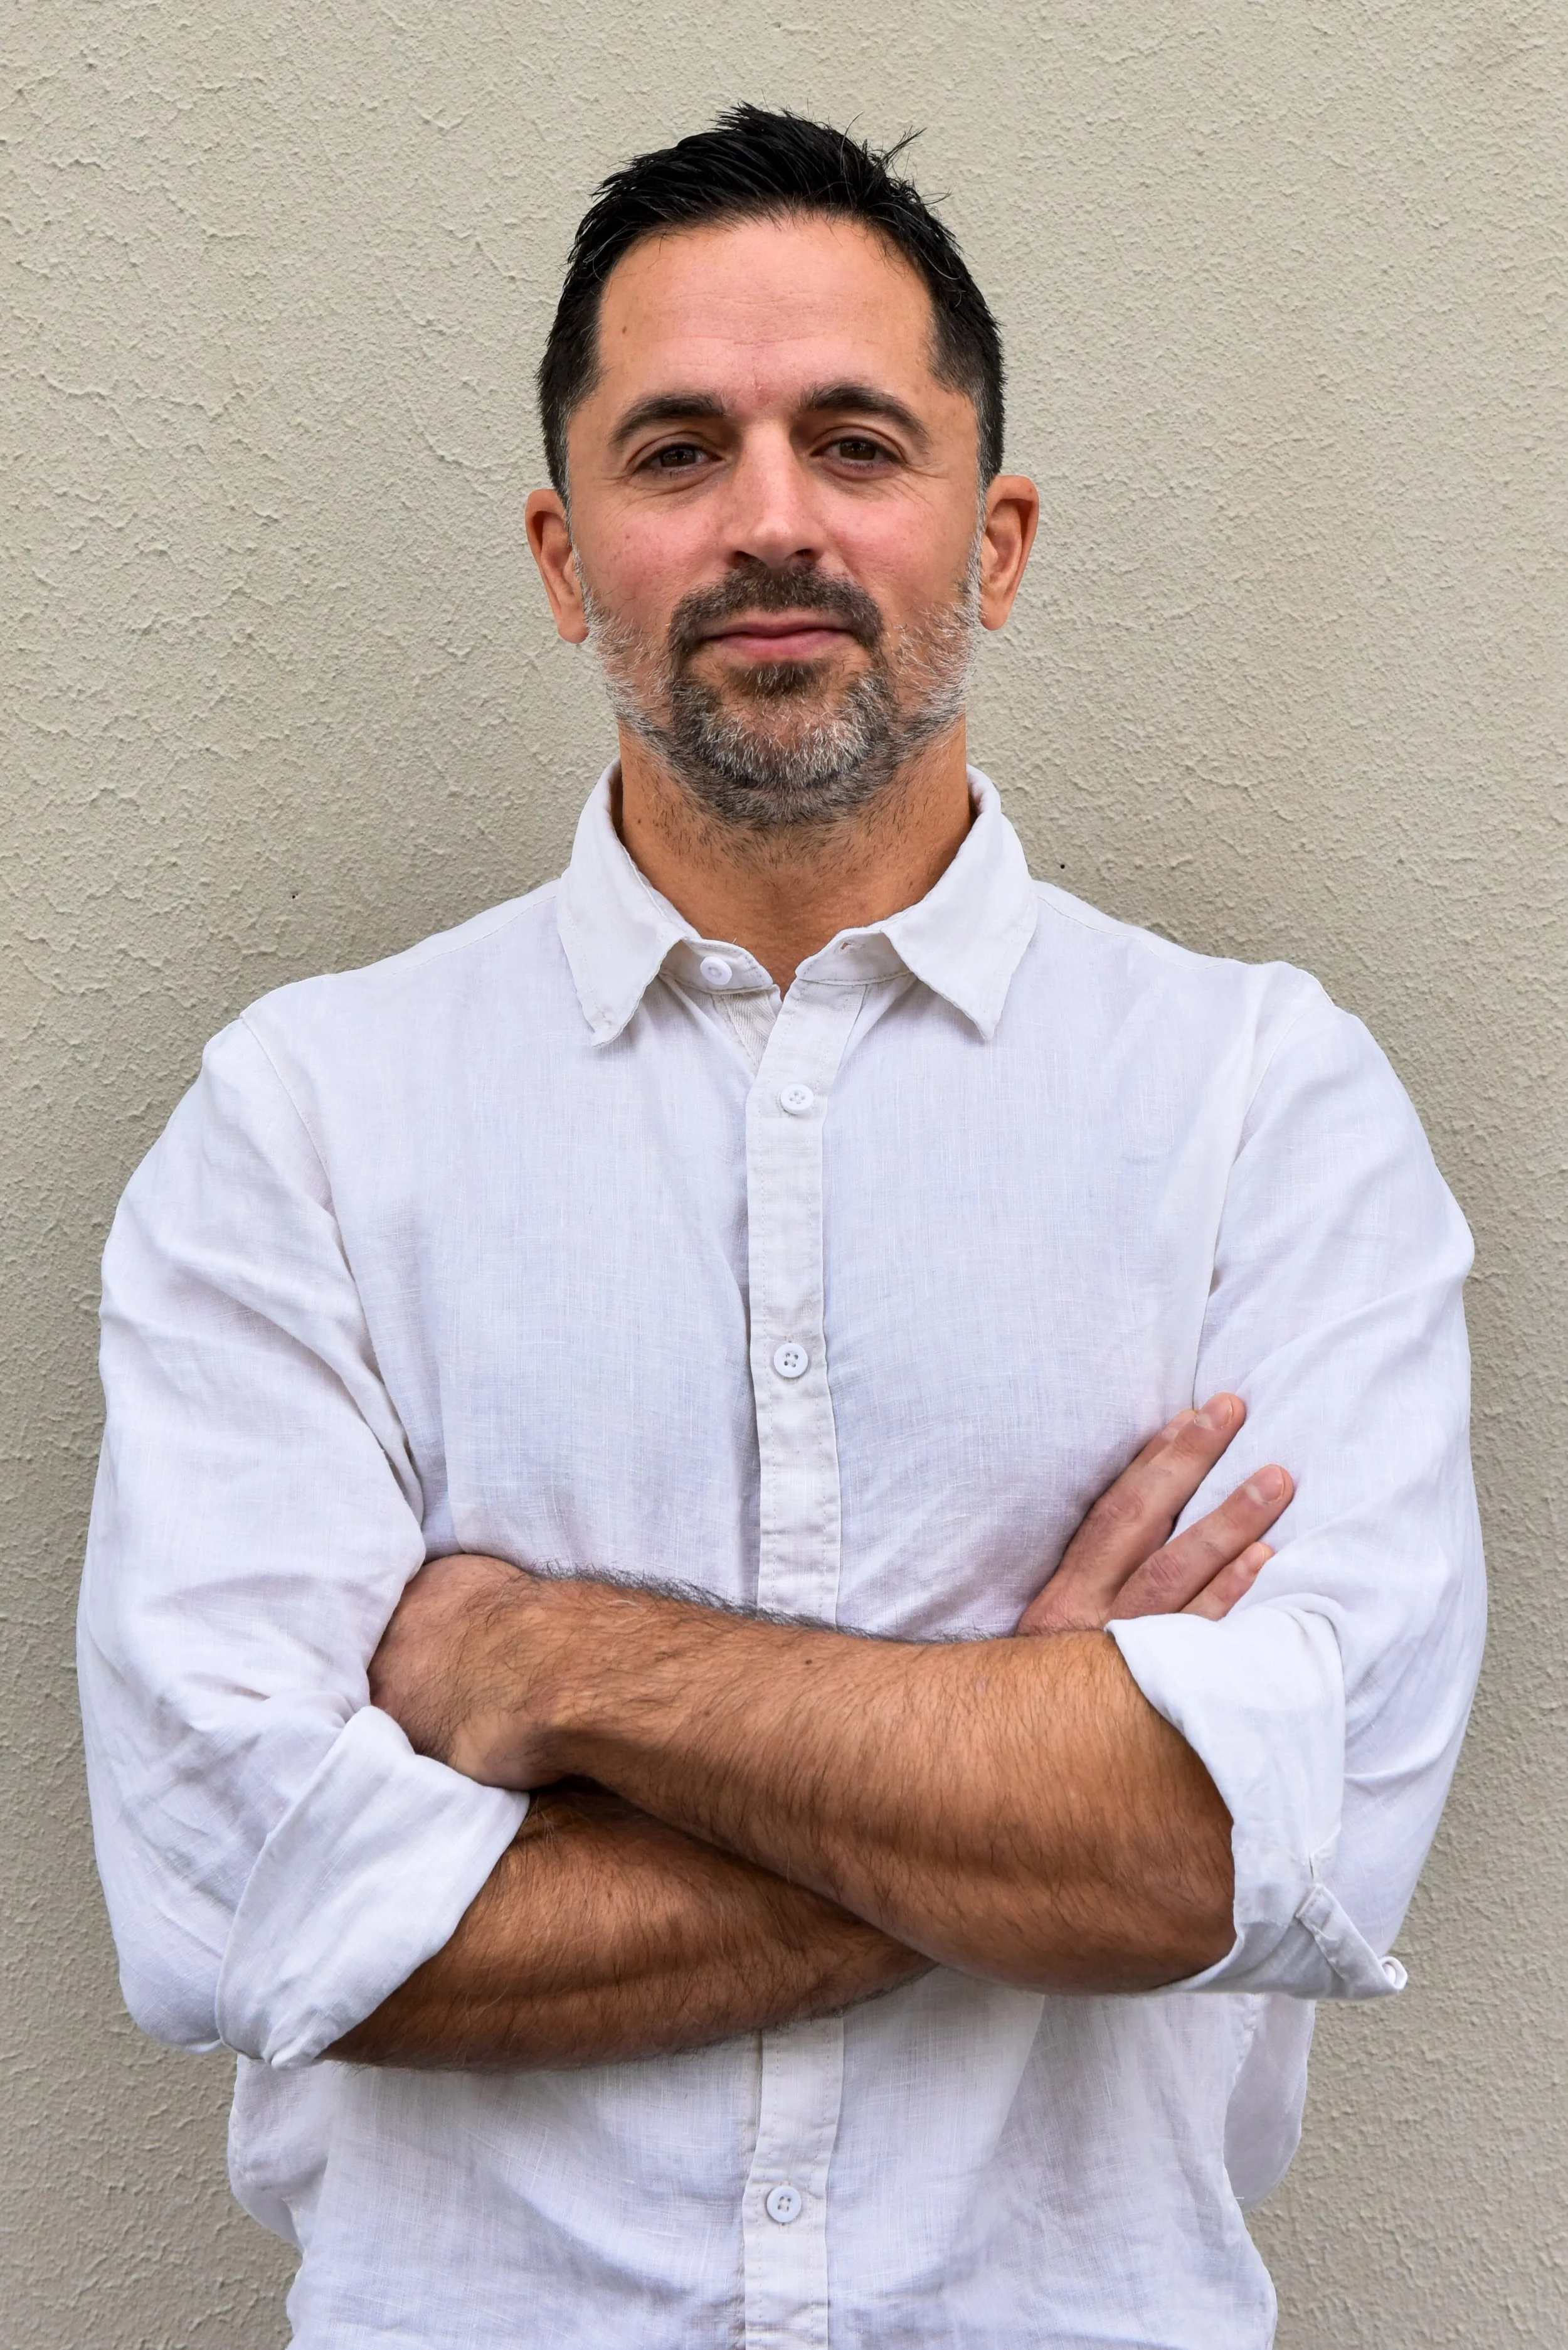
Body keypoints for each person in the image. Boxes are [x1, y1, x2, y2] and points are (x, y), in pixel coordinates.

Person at [78, 105, 1484, 2350]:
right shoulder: (309, 1124)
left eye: (855, 442)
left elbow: (1234, 1855)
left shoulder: (1258, 1105)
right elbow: (260, 1916)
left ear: (992, 539)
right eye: (674, 454)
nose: (770, 525)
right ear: (562, 557)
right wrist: (1024, 1761)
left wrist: (552, 1667)